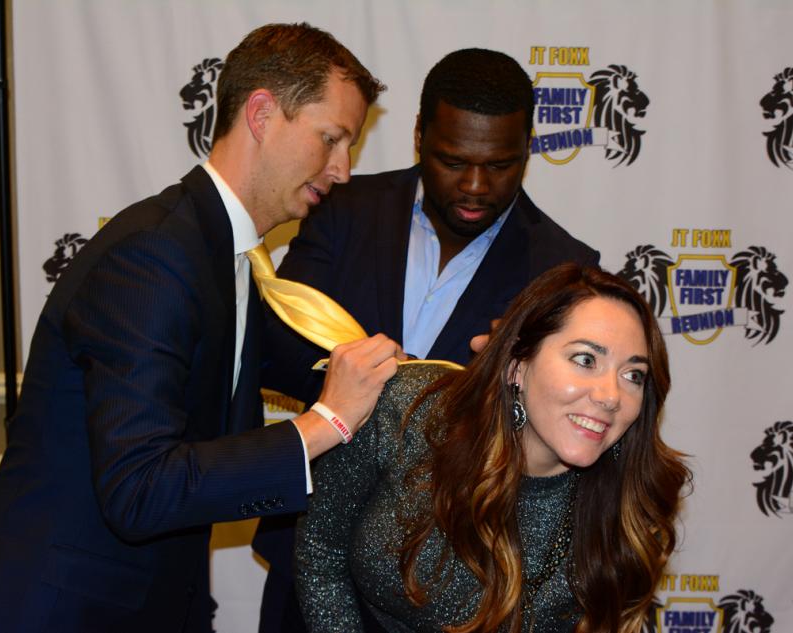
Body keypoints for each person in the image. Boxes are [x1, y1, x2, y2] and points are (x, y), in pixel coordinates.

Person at [0, 23, 402, 633]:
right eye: (331, 139)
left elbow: (317, 369)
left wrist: (486, 372)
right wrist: (325, 423)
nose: (342, 169)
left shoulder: (226, 256)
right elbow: (141, 490)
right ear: (262, 114)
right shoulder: (154, 256)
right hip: (59, 612)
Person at [256, 48, 599, 631]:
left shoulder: (564, 270)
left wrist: (513, 388)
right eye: (452, 160)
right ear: (419, 135)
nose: (475, 185)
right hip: (310, 547)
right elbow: (276, 346)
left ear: (527, 149)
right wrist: (388, 382)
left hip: (454, 583)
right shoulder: (343, 206)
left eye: (500, 165)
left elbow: (568, 446)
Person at [295, 264, 691, 633]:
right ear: (517, 364)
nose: (611, 396)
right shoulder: (408, 409)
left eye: (633, 375)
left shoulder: (629, 505)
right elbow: (321, 550)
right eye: (585, 359)